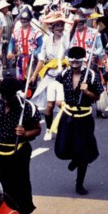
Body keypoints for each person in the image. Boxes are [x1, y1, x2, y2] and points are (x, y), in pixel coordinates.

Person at [0, 78, 41, 214]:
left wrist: (25, 133)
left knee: (18, 183)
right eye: (4, 97)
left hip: (18, 151)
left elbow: (37, 129)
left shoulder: (27, 107)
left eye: (9, 97)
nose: (6, 100)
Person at [52, 46, 104, 195]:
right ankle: (75, 160)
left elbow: (97, 97)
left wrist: (87, 91)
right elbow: (56, 85)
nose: (74, 62)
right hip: (68, 116)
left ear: (83, 60)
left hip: (84, 118)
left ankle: (79, 183)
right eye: (72, 59)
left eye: (77, 59)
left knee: (83, 152)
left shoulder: (91, 75)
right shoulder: (63, 74)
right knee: (62, 148)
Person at [30, 11, 70, 141]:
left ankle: (62, 129)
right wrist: (34, 75)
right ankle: (48, 129)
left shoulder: (66, 38)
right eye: (56, 25)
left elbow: (69, 52)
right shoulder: (46, 40)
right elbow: (42, 59)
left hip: (63, 75)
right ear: (51, 27)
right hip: (49, 75)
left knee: (61, 104)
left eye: (61, 25)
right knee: (49, 105)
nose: (60, 28)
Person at [7, 8, 42, 81]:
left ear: (30, 19)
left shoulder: (36, 32)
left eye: (26, 19)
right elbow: (11, 43)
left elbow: (41, 45)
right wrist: (10, 51)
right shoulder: (16, 32)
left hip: (32, 60)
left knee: (31, 81)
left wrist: (35, 53)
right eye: (22, 19)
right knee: (20, 80)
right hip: (20, 59)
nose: (23, 20)